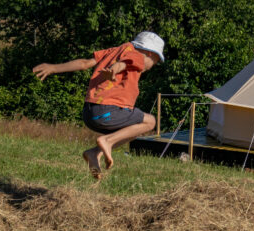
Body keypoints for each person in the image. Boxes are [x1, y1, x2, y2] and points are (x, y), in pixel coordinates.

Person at [33, 31, 164, 179]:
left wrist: (54, 68)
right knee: (150, 121)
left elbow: (84, 64)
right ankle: (106, 142)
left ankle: (95, 153)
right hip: (107, 111)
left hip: (90, 114)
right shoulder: (138, 55)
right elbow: (122, 64)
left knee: (130, 130)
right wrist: (114, 70)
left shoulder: (113, 51)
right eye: (156, 61)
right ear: (149, 53)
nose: (153, 65)